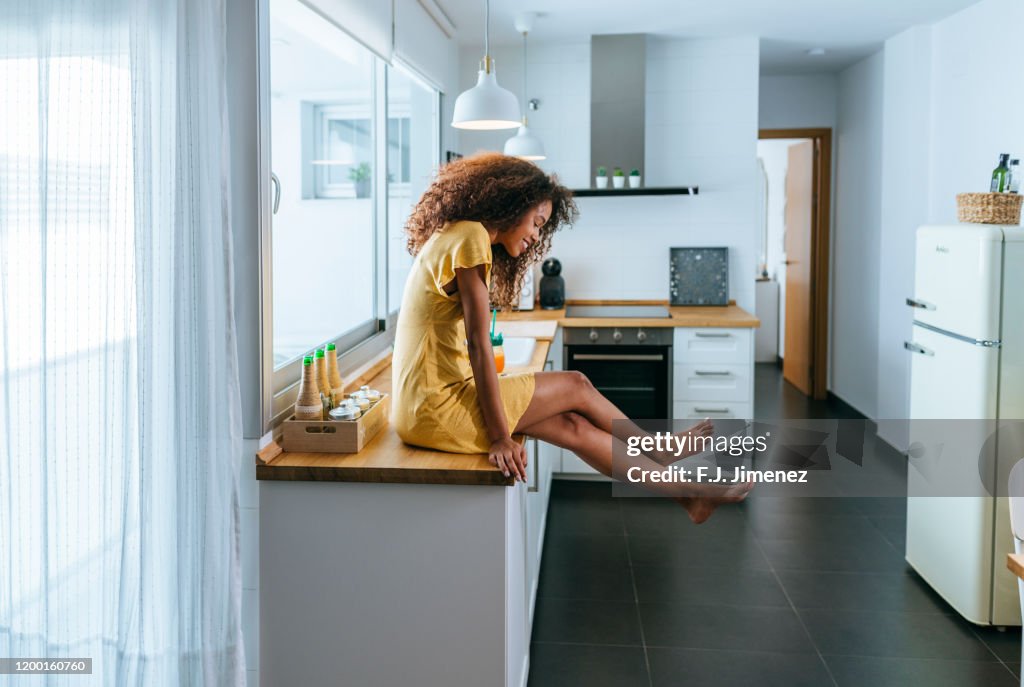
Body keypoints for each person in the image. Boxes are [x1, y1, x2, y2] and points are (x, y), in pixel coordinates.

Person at [392, 153, 750, 522]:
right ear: (512, 203)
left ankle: (689, 497)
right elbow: (479, 345)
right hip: (438, 407)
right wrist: (501, 437)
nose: (535, 236)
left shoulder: (454, 233)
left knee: (573, 427)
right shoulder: (470, 236)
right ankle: (657, 449)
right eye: (536, 222)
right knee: (576, 385)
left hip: (420, 409)